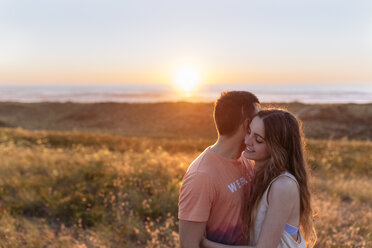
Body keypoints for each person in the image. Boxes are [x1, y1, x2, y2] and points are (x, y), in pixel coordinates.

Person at [202, 109, 317, 248]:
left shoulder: (283, 185)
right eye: (248, 132)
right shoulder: (255, 172)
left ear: (277, 147)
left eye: (258, 140)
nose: (247, 141)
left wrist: (205, 243)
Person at [178, 91, 260, 248]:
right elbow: (189, 244)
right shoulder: (201, 176)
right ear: (246, 125)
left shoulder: (247, 159)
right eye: (256, 120)